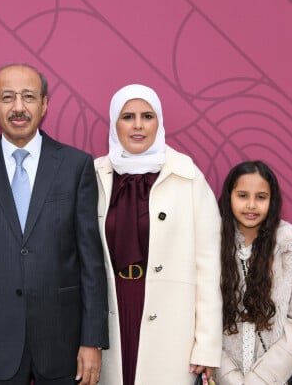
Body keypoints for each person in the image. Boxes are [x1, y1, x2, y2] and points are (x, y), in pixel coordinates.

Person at [0, 63, 109, 385]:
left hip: (63, 343)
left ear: (45, 104)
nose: (18, 107)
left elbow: (91, 263)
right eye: (7, 97)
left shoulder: (76, 166)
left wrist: (92, 339)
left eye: (29, 97)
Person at [95, 84, 222, 385]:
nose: (138, 125)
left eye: (147, 116)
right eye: (128, 116)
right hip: (111, 313)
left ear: (159, 122)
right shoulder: (93, 175)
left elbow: (209, 269)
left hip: (172, 320)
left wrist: (206, 345)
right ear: (115, 123)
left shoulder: (188, 177)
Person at [215, 160, 292, 384]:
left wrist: (262, 379)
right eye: (242, 195)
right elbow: (201, 319)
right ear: (229, 198)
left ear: (272, 201)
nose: (251, 205)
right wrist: (229, 377)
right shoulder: (210, 248)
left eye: (260, 197)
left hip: (286, 373)